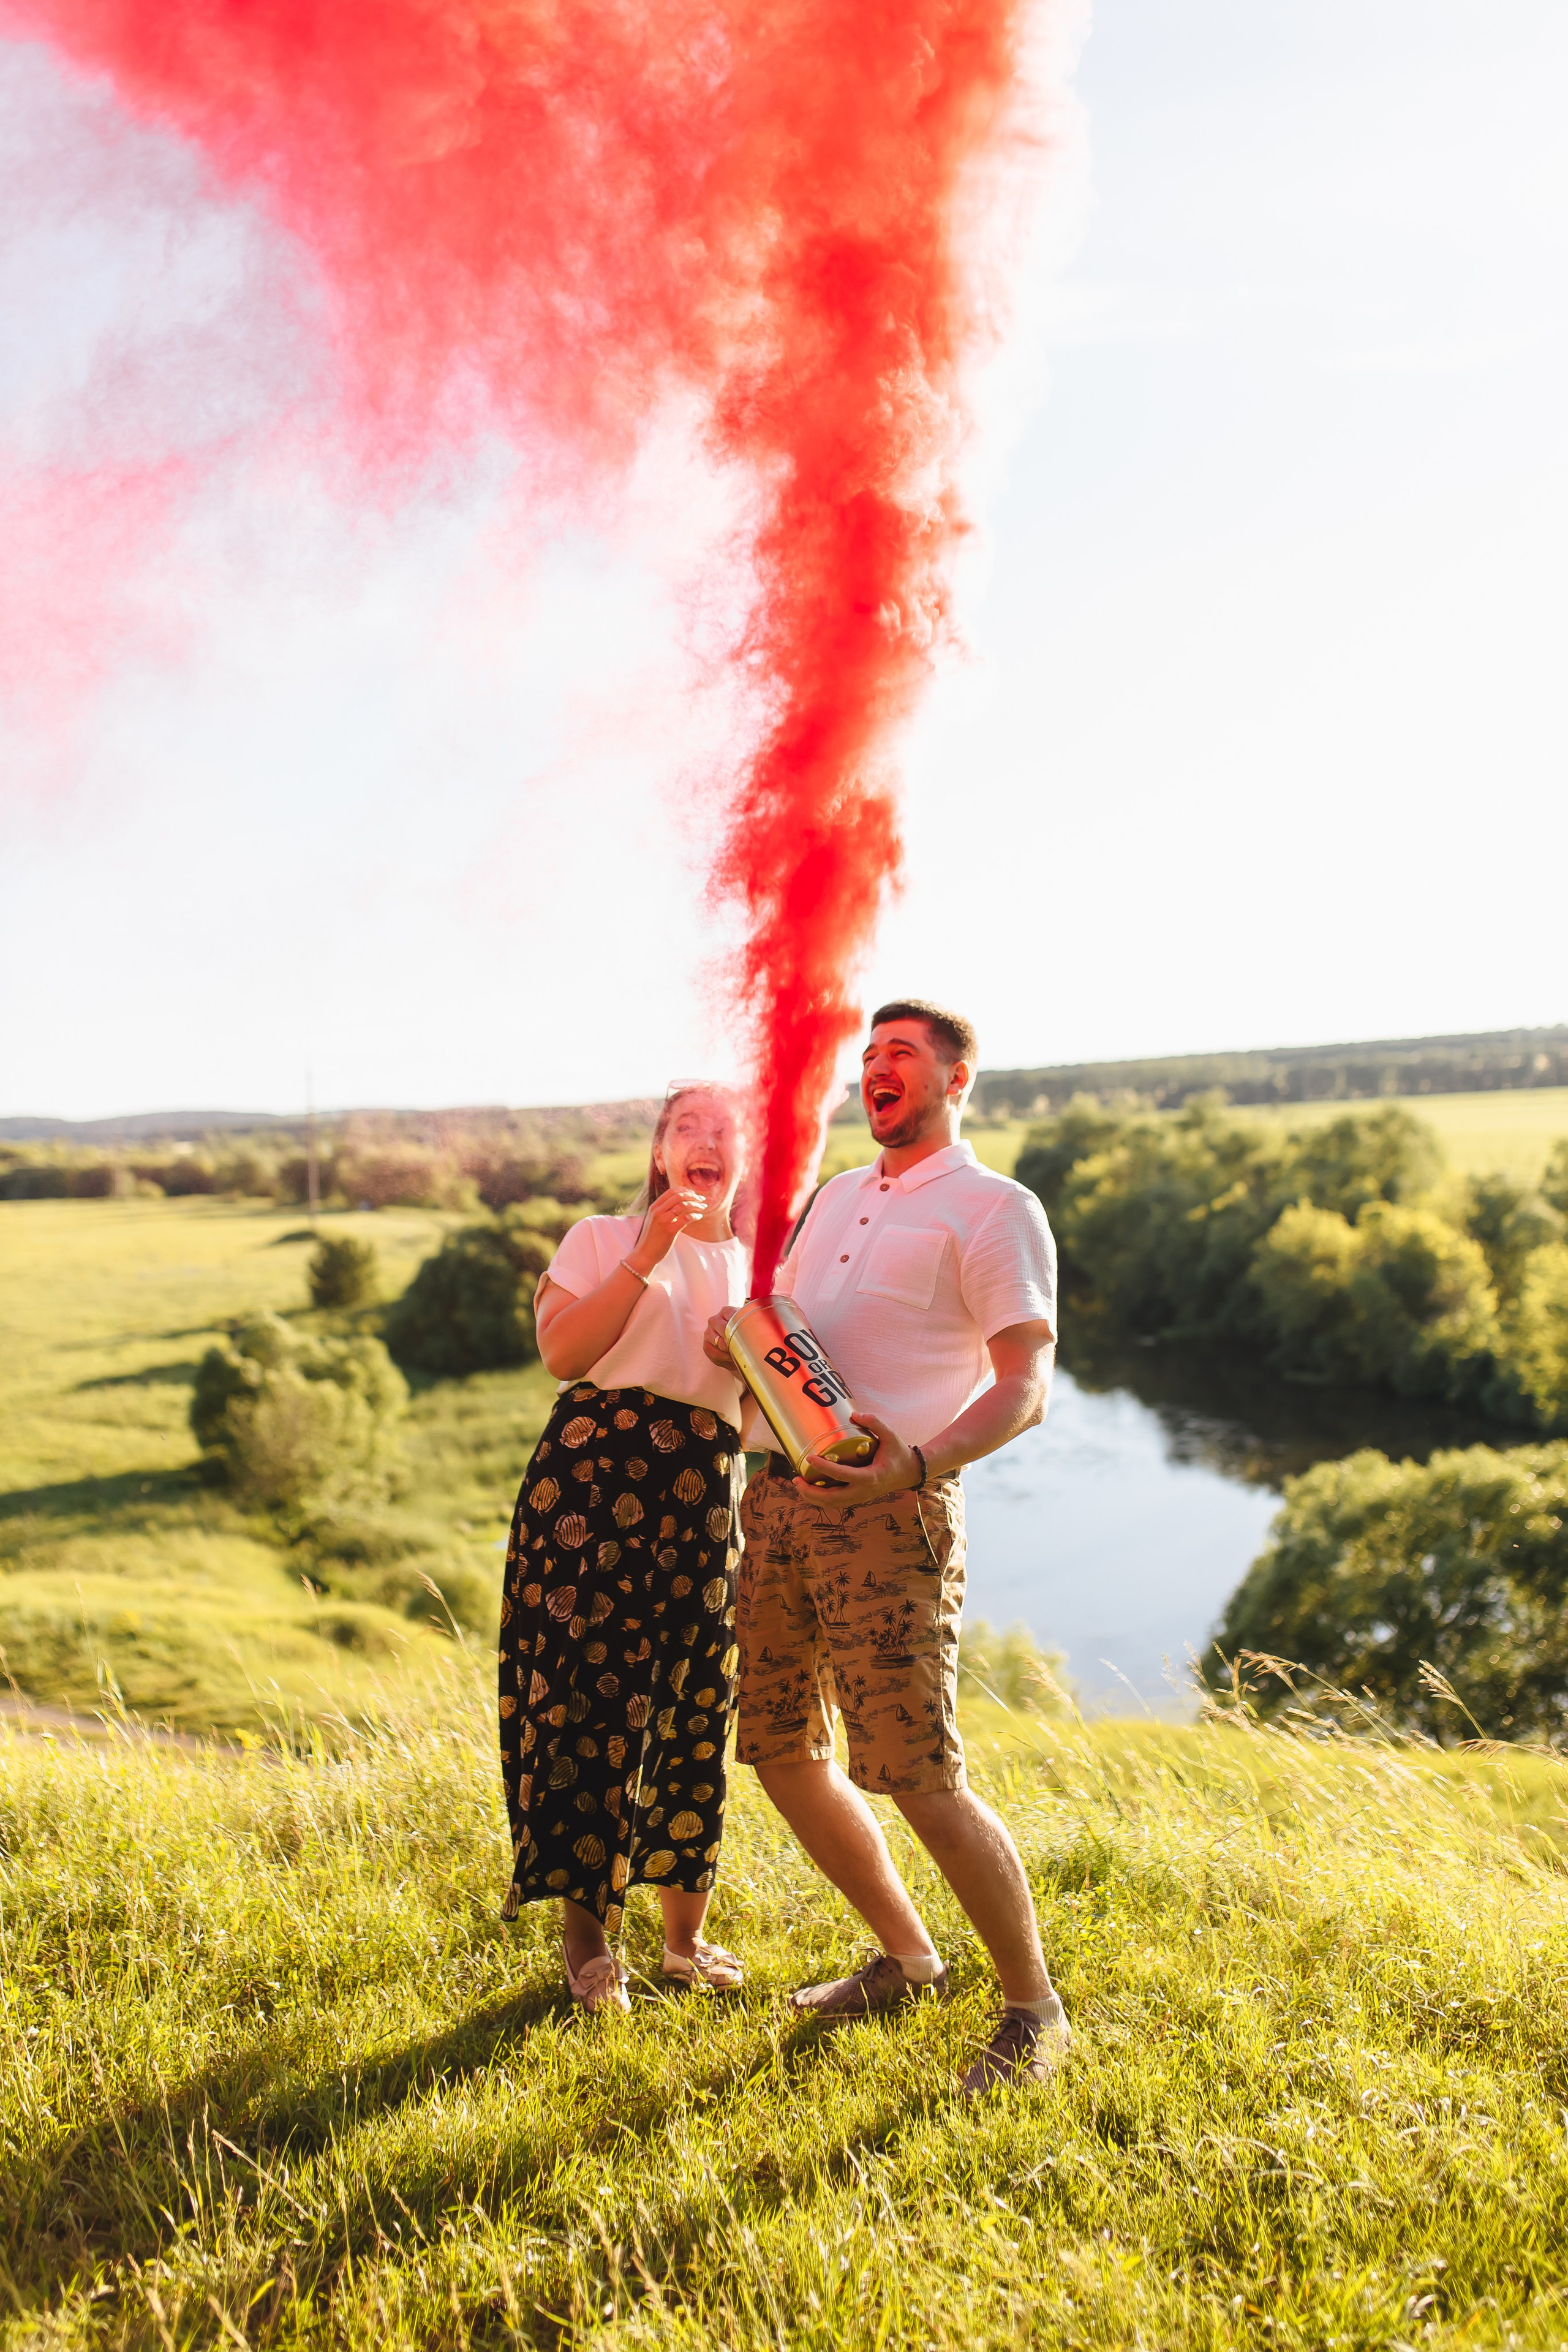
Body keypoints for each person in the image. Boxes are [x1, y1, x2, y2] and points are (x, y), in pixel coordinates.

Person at [705, 999, 1068, 2092]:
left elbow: (1026, 1388)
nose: (877, 1069)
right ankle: (908, 1959)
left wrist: (919, 1463)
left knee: (917, 1774)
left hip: (887, 1518)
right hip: (774, 1505)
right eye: (868, 1057)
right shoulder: (833, 1200)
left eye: (902, 1054)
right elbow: (799, 1345)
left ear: (958, 1080)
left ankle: (1033, 2008)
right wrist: (743, 1356)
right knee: (775, 1749)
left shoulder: (996, 1209)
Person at [500, 1085, 750, 2014]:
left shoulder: (761, 1271)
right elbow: (565, 1354)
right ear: (658, 1150)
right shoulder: (602, 1238)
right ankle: (587, 1944)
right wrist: (648, 1256)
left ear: (751, 1155)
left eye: (727, 1128)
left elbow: (773, 1425)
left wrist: (751, 1361)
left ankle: (683, 1942)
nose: (707, 1139)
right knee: (587, 1708)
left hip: (702, 1503)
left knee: (694, 1707)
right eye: (688, 1125)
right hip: (591, 1495)